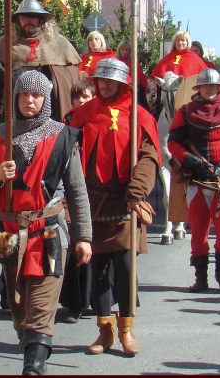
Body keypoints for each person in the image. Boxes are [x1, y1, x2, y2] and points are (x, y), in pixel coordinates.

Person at [0, 70, 92, 374]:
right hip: (7, 234)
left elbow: (77, 191)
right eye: (23, 94)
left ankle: (34, 367)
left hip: (48, 233)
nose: (29, 100)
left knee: (40, 308)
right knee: (18, 308)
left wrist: (84, 237)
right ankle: (31, 345)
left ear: (46, 99)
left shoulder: (64, 136)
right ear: (15, 98)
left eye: (36, 95)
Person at [66, 58, 160, 357]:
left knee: (126, 268)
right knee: (99, 269)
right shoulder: (80, 115)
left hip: (126, 202)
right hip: (91, 202)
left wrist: (137, 190)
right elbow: (67, 155)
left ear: (123, 83)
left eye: (111, 81)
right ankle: (104, 330)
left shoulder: (139, 116)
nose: (104, 84)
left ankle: (127, 329)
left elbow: (149, 156)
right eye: (100, 80)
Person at [168, 68, 220, 293]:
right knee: (199, 229)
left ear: (219, 88)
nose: (210, 89)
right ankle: (200, 278)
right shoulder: (185, 111)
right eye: (206, 86)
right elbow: (173, 143)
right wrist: (193, 161)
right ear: (199, 88)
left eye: (213, 86)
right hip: (197, 180)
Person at [0, 0, 82, 130]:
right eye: (23, 17)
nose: (27, 21)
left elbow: (66, 80)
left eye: (32, 16)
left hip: (49, 107)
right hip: (7, 108)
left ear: (41, 20)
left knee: (60, 137)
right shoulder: (6, 43)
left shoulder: (59, 44)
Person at [58, 78, 96, 324]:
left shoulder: (101, 119)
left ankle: (95, 299)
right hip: (73, 188)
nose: (81, 101)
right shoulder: (67, 123)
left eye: (86, 97)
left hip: (95, 188)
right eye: (77, 97)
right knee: (74, 245)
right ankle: (74, 303)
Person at [149, 30, 208, 103]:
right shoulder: (168, 58)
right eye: (178, 40)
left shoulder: (195, 59)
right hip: (168, 95)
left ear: (188, 43)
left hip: (189, 96)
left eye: (183, 40)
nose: (180, 43)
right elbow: (158, 77)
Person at [114, 39, 150, 110]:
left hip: (135, 88)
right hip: (121, 88)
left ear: (130, 51)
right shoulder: (116, 61)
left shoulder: (133, 61)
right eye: (123, 49)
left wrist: (144, 86)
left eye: (127, 50)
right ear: (119, 50)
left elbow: (140, 75)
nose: (125, 52)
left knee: (143, 107)